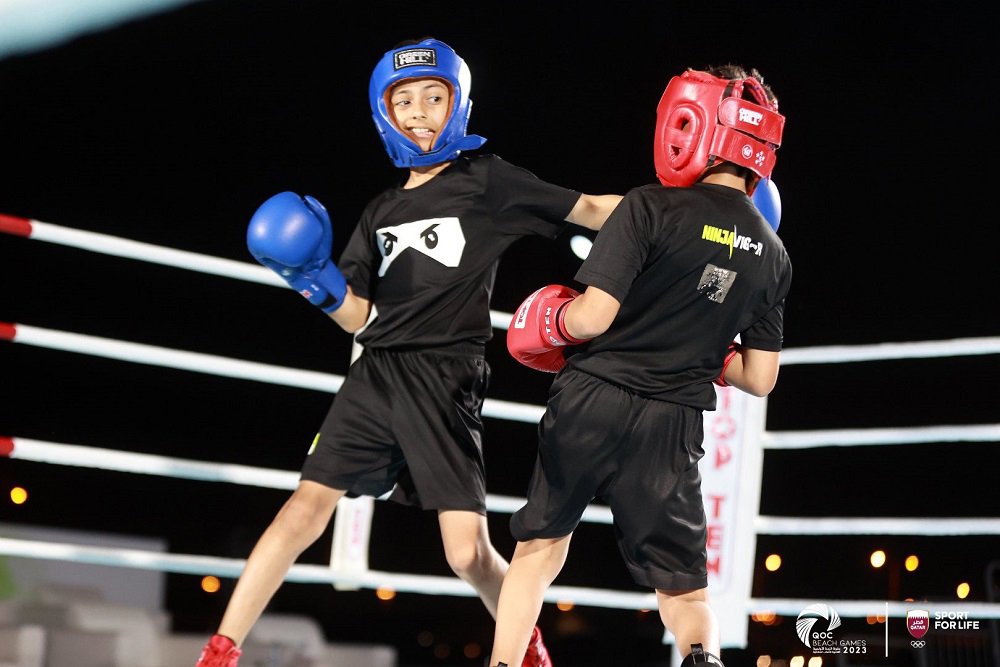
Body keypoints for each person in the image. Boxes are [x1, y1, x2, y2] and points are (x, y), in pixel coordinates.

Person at [195, 38, 621, 667]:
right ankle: (220, 650)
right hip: (375, 372)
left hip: (445, 377)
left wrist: (674, 218)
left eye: (433, 96)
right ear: (384, 113)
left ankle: (524, 646)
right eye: (404, 101)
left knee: (466, 553)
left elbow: (588, 209)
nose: (419, 111)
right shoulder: (381, 210)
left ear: (457, 105)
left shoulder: (487, 181)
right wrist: (310, 280)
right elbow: (358, 317)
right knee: (302, 509)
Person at [491, 65, 790, 667]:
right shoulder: (774, 254)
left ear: (695, 122)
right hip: (672, 424)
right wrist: (706, 348)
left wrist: (551, 321)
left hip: (592, 399)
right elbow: (760, 379)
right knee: (684, 594)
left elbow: (592, 318)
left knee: (539, 552)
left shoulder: (648, 206)